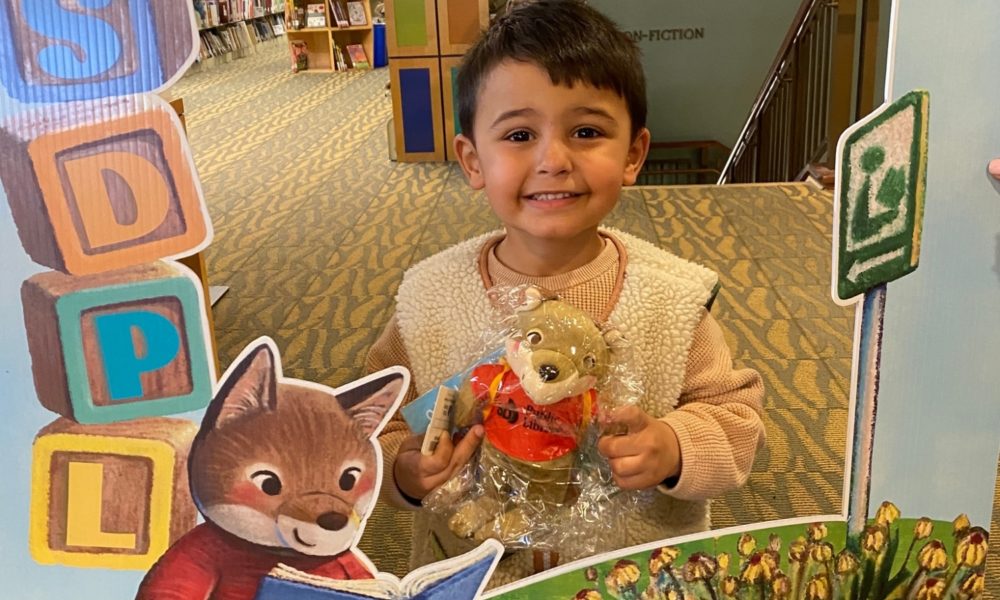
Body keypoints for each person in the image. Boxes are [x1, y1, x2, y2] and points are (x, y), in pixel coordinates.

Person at [365, 0, 765, 586]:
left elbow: (736, 419)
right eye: (520, 134)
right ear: (473, 160)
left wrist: (674, 446)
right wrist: (404, 473)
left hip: (633, 578)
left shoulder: (672, 299)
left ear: (633, 154)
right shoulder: (429, 299)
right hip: (477, 576)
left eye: (586, 132)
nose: (554, 160)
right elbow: (375, 425)